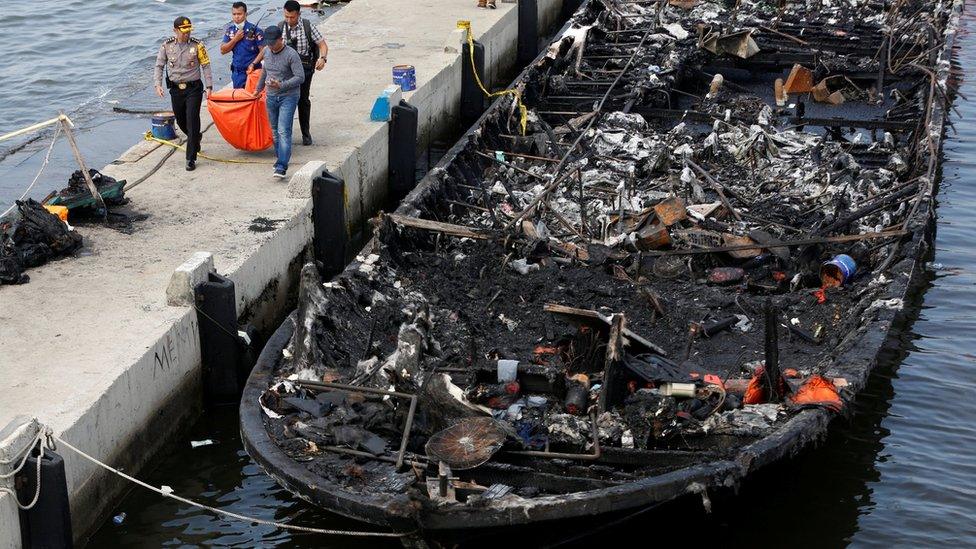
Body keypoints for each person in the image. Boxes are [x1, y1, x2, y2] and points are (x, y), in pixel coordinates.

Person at [252, 0, 328, 146]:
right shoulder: (280, 28)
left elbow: (322, 45)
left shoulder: (307, 26)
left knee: (302, 100)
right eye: (286, 16)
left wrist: (323, 59)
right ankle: (285, 134)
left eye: (292, 17)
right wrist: (255, 63)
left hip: (304, 70)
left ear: (298, 14)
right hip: (285, 70)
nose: (289, 20)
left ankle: (306, 133)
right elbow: (267, 50)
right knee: (285, 101)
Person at [154, 16, 213, 171]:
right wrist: (158, 84)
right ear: (175, 30)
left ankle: (190, 158)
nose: (186, 34)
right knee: (181, 121)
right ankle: (195, 138)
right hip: (175, 90)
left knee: (192, 120)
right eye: (183, 32)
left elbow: (206, 66)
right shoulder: (166, 46)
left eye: (188, 32)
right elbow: (159, 66)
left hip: (193, 89)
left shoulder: (198, 45)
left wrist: (209, 86)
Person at [255, 26, 305, 178]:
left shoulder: (291, 54)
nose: (270, 46)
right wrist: (258, 89)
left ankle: (282, 166)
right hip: (271, 96)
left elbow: (300, 77)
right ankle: (279, 160)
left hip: (288, 96)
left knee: (284, 130)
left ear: (281, 40)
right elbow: (265, 72)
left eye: (273, 43)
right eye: (268, 43)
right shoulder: (266, 52)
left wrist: (281, 85)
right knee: (275, 131)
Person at [220, 2, 264, 89]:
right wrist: (235, 39)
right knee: (239, 99)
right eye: (234, 14)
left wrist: (253, 64)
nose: (236, 16)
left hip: (253, 71)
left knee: (253, 97)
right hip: (237, 73)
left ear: (246, 14)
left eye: (239, 14)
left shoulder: (256, 30)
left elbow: (263, 51)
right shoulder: (230, 30)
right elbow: (223, 50)